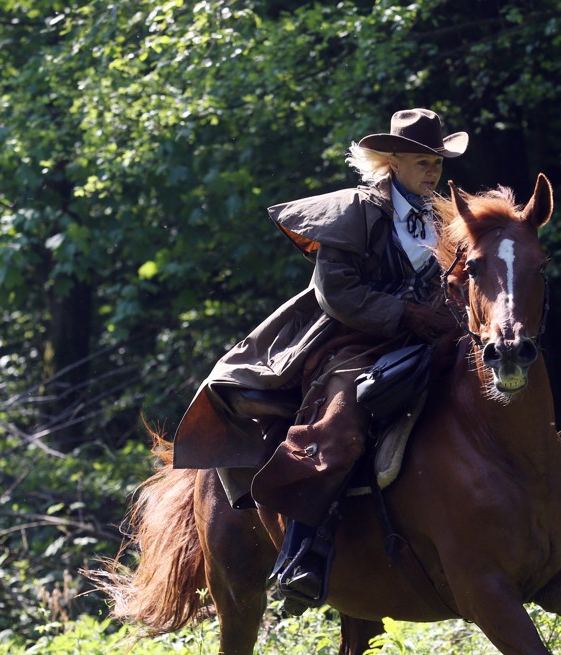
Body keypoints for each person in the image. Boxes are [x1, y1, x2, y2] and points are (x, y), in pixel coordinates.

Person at [171, 108, 466, 610]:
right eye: (422, 160)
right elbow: (337, 292)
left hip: (437, 337)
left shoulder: (447, 216)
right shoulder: (352, 211)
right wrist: (404, 315)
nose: (433, 170)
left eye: (437, 161)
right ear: (391, 162)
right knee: (341, 427)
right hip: (355, 342)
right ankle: (303, 548)